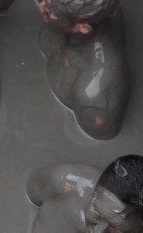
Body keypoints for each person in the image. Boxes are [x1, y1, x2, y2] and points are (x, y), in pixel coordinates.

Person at [36, 0, 128, 139]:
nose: (40, 6)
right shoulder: (96, 8)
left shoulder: (94, 101)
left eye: (48, 11)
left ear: (83, 27)